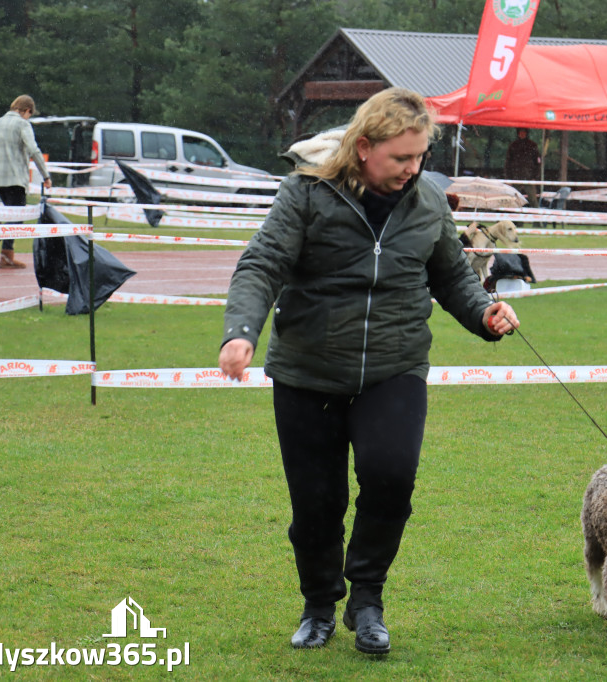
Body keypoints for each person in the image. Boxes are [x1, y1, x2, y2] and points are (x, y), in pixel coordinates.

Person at [218, 87, 519, 655]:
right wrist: (241, 332)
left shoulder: (427, 200)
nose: (413, 169)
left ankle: (368, 599)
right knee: (316, 502)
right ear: (363, 148)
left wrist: (484, 312)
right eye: (401, 158)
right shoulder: (307, 194)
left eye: (420, 156)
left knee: (391, 478)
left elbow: (451, 276)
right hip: (308, 370)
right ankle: (318, 604)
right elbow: (262, 263)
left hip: (394, 366)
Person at [0, 95, 52, 268]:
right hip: (15, 178)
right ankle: (1, 252)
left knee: (5, 212)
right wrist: (46, 176)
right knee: (17, 217)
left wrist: (1, 149)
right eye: (29, 114)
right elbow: (33, 149)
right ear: (26, 111)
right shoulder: (23, 124)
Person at [504, 128, 540, 207]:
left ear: (526, 133)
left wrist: (535, 177)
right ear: (518, 133)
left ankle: (537, 216)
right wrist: (508, 178)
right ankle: (514, 216)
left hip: (529, 177)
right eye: (520, 132)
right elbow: (508, 163)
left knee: (533, 199)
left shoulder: (533, 145)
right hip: (516, 177)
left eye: (524, 132)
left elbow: (537, 164)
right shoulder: (513, 146)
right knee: (515, 199)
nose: (522, 134)